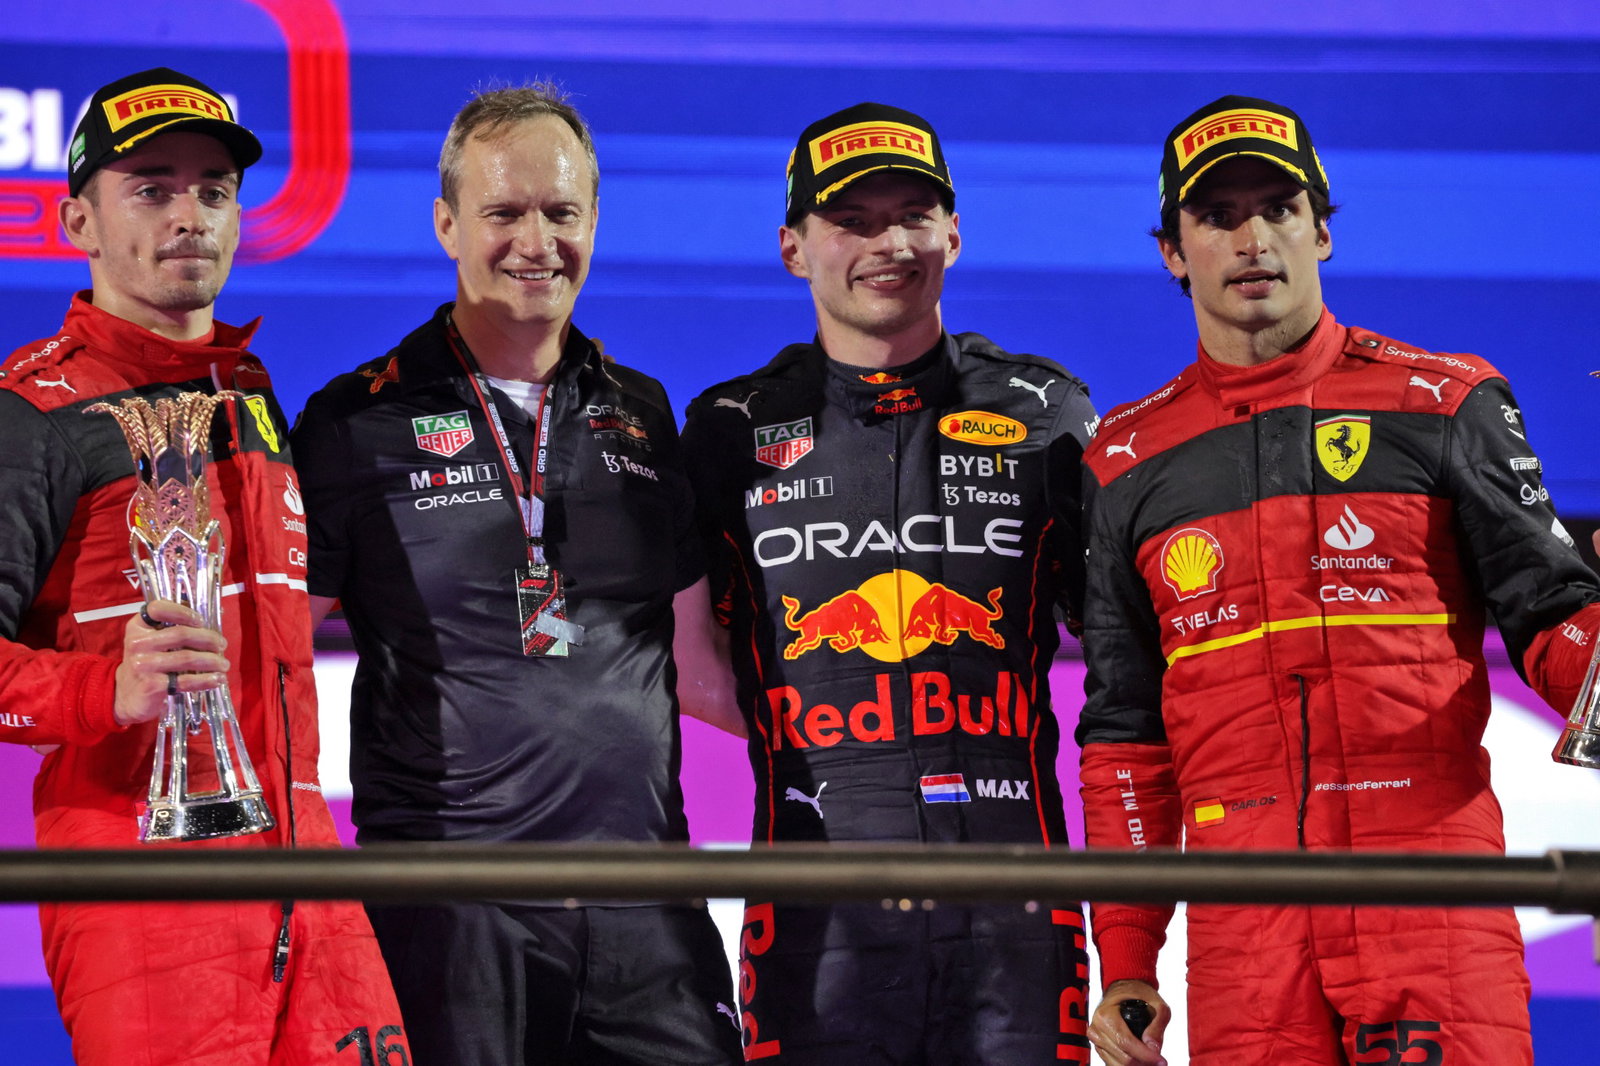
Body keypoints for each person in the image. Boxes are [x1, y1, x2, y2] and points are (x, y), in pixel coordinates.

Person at [1077, 94, 1600, 1066]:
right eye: (1218, 215)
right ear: (1172, 253)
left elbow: (1554, 616)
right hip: (1244, 939)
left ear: (1321, 230)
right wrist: (1128, 956)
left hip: (1432, 906)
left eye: (1278, 209)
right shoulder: (1122, 462)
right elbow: (1126, 735)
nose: (1253, 240)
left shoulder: (1445, 403)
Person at [290, 84, 741, 1066]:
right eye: (503, 212)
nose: (536, 242)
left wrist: (883, 748)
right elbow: (276, 656)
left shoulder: (643, 411)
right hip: (449, 911)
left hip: (646, 906)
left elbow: (698, 666)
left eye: (560, 212)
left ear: (594, 222)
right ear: (447, 224)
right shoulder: (353, 421)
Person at [0, 67, 408, 1065]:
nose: (190, 215)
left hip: (306, 863)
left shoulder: (251, 396)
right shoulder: (31, 413)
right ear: (79, 222)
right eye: (151, 188)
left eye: (213, 190)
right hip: (143, 886)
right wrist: (104, 689)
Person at [679, 102, 1098, 1064]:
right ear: (794, 247)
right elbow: (681, 660)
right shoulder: (731, 430)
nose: (890, 244)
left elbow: (1122, 655)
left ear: (954, 232)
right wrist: (830, 730)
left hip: (1017, 908)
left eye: (913, 215)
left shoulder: (1047, 411)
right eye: (853, 221)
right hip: (816, 912)